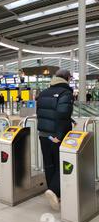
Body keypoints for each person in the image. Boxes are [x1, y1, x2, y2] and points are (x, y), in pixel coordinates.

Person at [37, 69, 75, 211]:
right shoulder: (66, 93)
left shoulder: (44, 92)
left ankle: (53, 192)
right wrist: (59, 135)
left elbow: (44, 112)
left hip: (43, 134)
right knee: (62, 164)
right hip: (57, 135)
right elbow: (62, 114)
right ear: (67, 78)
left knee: (49, 164)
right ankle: (54, 190)